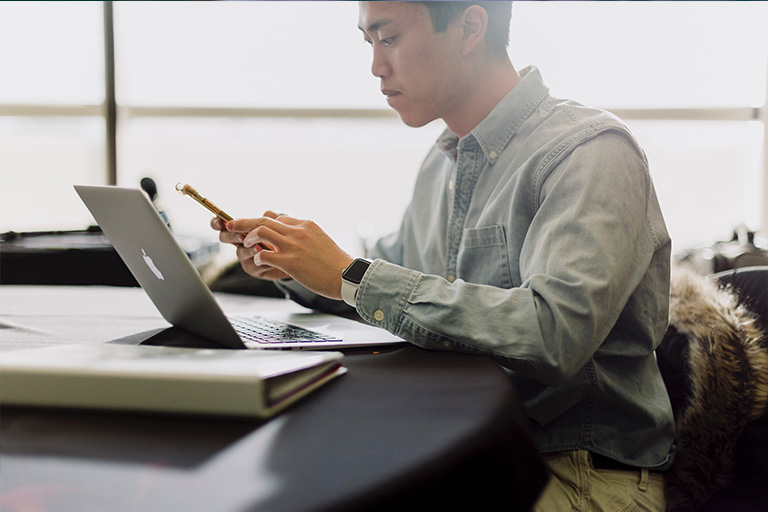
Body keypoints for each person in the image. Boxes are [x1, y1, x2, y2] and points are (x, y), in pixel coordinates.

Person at [212, 2, 674, 510]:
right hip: (465, 447)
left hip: (574, 468)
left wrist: (349, 274)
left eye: (387, 38)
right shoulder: (442, 164)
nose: (375, 66)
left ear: (470, 27)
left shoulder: (589, 152)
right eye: (368, 43)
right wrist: (296, 266)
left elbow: (553, 334)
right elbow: (388, 285)